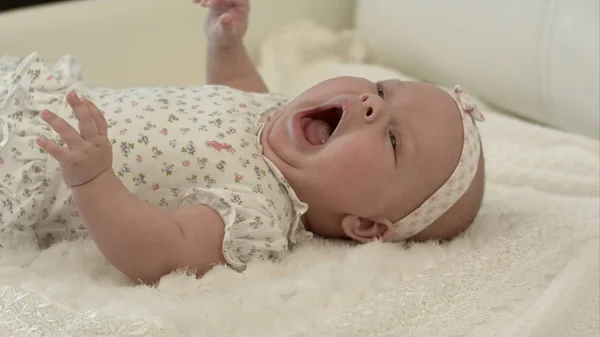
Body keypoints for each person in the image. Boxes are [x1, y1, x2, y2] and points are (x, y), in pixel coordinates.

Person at [0, 0, 485, 284]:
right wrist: (225, 44)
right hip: (26, 102)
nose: (372, 105)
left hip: (26, 169)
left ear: (364, 226)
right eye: (381, 89)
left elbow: (160, 253)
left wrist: (94, 180)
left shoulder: (258, 214)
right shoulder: (271, 114)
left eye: (395, 141)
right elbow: (235, 92)